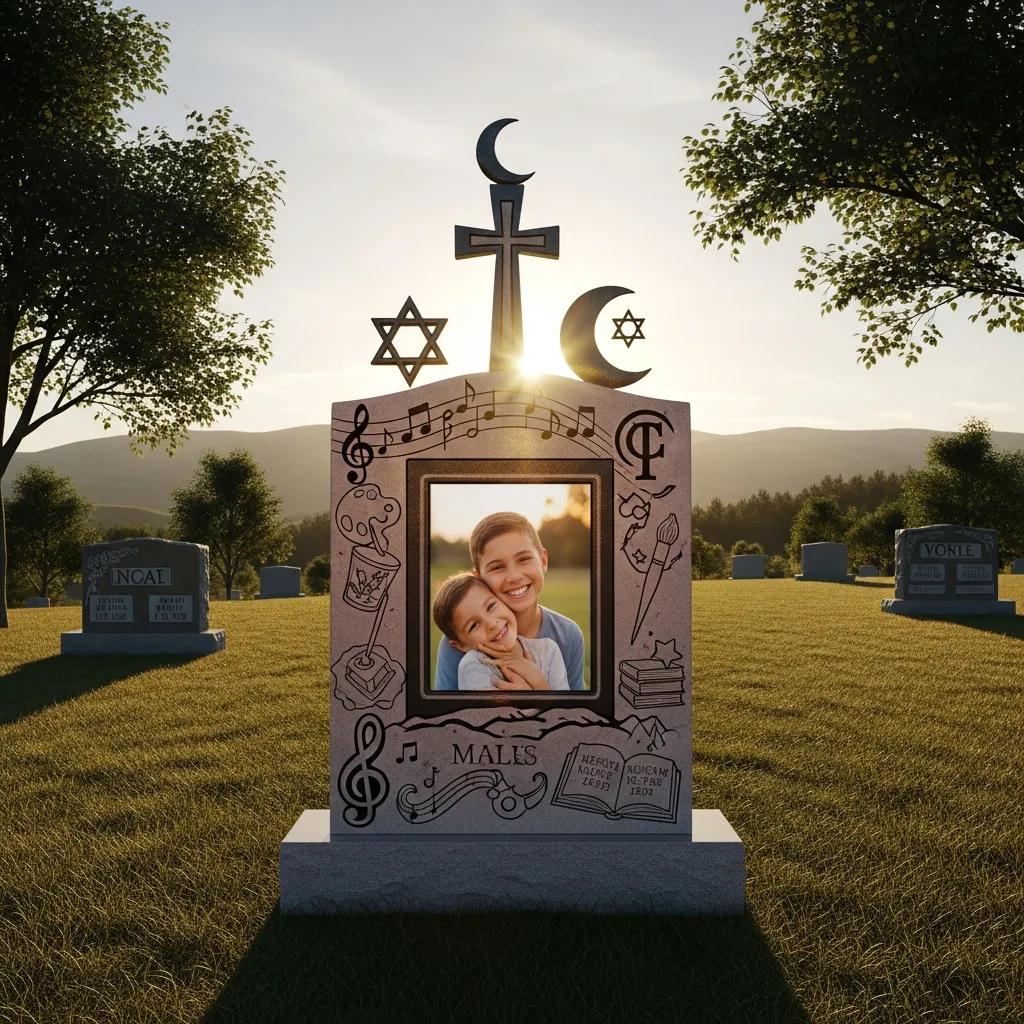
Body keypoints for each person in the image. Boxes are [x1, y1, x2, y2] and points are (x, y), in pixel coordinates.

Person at [433, 511, 585, 691]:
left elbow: (575, 706)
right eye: (497, 567)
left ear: (543, 560)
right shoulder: (462, 641)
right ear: (479, 578)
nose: (514, 576)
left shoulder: (568, 635)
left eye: (524, 559)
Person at [431, 573, 569, 691]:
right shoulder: (472, 667)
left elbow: (566, 712)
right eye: (474, 626)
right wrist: (538, 692)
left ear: (502, 600)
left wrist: (538, 682)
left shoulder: (549, 650)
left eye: (491, 606)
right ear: (461, 645)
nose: (491, 624)